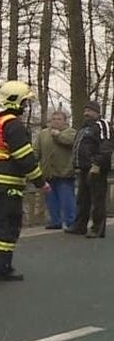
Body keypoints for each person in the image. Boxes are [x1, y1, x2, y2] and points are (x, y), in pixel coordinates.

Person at [0, 81, 50, 281]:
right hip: (7, 183)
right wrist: (40, 182)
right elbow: (25, 159)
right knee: (8, 224)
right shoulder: (13, 125)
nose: (25, 107)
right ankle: (2, 268)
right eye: (24, 102)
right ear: (15, 101)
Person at [68, 100, 112, 238]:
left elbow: (106, 145)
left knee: (97, 198)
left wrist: (98, 163)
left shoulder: (102, 125)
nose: (86, 113)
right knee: (82, 198)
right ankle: (80, 225)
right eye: (85, 110)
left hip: (96, 167)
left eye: (90, 110)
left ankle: (98, 228)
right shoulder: (83, 128)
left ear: (97, 112)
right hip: (83, 167)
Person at [34, 109, 77, 230]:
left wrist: (58, 135)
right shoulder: (43, 134)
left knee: (67, 199)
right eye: (53, 119)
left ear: (65, 121)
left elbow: (71, 142)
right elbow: (37, 150)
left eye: (59, 119)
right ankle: (55, 221)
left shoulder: (71, 132)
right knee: (51, 200)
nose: (56, 121)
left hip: (65, 172)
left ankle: (71, 222)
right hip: (48, 172)